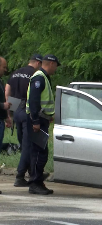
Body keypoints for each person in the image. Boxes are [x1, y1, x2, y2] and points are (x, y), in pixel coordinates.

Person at [5, 54, 45, 187]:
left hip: (15, 107)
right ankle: (20, 176)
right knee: (28, 145)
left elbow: (7, 91)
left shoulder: (16, 73)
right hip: (26, 108)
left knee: (24, 144)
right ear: (38, 63)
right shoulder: (35, 74)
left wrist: (8, 112)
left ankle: (31, 171)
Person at [26, 54, 60, 195]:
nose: (56, 69)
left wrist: (47, 116)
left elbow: (42, 101)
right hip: (37, 121)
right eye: (56, 66)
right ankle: (35, 182)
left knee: (40, 152)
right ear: (51, 64)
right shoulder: (39, 78)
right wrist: (35, 121)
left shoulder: (43, 77)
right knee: (39, 153)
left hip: (41, 119)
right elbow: (34, 101)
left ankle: (38, 181)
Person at [0, 56, 12, 195]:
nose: (5, 70)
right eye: (3, 67)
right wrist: (2, 105)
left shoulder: (1, 81)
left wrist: (7, 116)